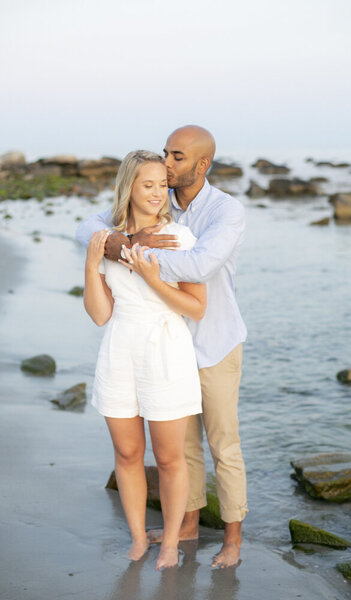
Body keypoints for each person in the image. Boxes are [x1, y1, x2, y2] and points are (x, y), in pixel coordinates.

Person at [77, 125, 248, 568]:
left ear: (201, 164)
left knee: (221, 444)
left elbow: (199, 266)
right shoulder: (159, 199)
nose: (166, 167)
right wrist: (117, 245)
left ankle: (232, 539)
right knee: (179, 450)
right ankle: (186, 528)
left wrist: (136, 256)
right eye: (162, 161)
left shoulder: (225, 211)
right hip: (139, 347)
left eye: (175, 158)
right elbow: (89, 229)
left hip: (212, 341)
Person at [83, 150, 206, 570]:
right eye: (147, 185)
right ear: (129, 188)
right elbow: (100, 314)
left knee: (170, 458)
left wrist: (153, 279)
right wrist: (91, 262)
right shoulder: (107, 237)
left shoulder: (180, 238)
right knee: (127, 454)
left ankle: (170, 543)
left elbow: (196, 307)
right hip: (119, 349)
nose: (157, 193)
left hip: (166, 350)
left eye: (161, 185)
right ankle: (138, 539)